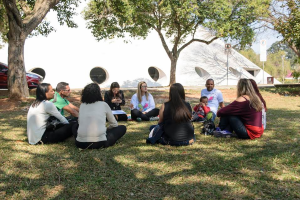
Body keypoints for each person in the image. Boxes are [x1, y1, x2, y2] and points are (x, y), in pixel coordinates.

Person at [73, 83, 126, 149]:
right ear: (98, 93)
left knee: (74, 126)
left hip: (80, 143)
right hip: (99, 142)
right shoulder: (103, 104)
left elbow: (80, 122)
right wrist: (106, 129)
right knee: (122, 128)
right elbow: (114, 124)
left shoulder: (82, 105)